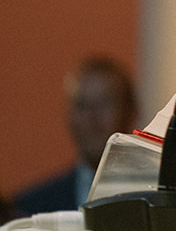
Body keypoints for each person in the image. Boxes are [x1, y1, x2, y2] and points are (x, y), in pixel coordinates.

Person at [13, 57, 138, 215]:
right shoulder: (32, 207)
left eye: (104, 103)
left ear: (130, 111)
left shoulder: (155, 198)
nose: (92, 116)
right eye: (82, 105)